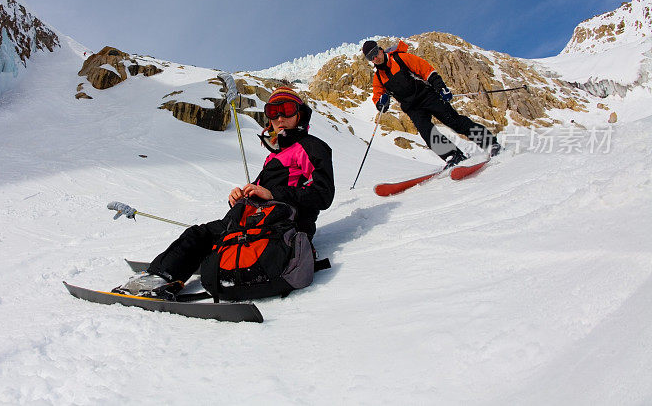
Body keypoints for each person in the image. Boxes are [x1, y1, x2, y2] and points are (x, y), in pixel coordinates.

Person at [114, 86, 335, 299]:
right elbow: (265, 192)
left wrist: (272, 194)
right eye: (272, 112)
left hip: (283, 225)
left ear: (300, 114)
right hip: (257, 219)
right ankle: (166, 274)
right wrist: (241, 197)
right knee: (198, 234)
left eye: (286, 110)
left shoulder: (310, 146)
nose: (279, 118)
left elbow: (323, 194)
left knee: (203, 237)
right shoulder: (275, 156)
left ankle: (163, 276)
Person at [361, 39, 501, 168]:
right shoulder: (379, 78)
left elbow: (425, 69)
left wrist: (441, 87)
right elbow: (378, 99)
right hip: (412, 108)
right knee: (427, 133)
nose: (375, 58)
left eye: (375, 53)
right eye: (370, 57)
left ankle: (490, 142)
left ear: (380, 49)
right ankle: (454, 155)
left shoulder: (399, 58)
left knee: (454, 121)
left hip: (427, 96)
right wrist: (381, 103)